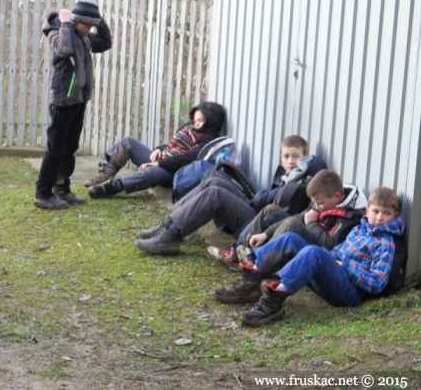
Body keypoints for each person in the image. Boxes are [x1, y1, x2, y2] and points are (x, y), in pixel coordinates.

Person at [213, 187, 404, 327]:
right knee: (291, 238)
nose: (379, 218)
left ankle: (273, 302)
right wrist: (332, 259)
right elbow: (338, 252)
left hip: (350, 292)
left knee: (314, 252)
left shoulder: (386, 244)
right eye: (376, 212)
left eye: (386, 213)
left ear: (394, 215)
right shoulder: (359, 229)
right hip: (336, 274)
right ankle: (250, 280)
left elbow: (377, 283)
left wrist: (343, 264)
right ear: (367, 211)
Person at [134, 135, 325, 255]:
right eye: (286, 156)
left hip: (263, 224)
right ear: (280, 156)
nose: (291, 161)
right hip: (257, 210)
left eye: (296, 156)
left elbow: (272, 200)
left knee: (215, 194)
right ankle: (167, 224)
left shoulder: (306, 178)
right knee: (214, 181)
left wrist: (260, 196)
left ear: (305, 156)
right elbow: (265, 197)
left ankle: (172, 236)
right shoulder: (284, 173)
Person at [33, 0, 112, 210]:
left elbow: (105, 43)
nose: (88, 30)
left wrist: (100, 21)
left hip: (78, 99)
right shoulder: (57, 33)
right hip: (62, 100)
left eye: (90, 27)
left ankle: (62, 189)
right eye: (85, 26)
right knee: (55, 149)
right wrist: (66, 23)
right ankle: (42, 193)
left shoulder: (84, 37)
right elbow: (65, 50)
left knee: (70, 148)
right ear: (74, 20)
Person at [86, 102, 227, 200]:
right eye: (195, 120)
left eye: (201, 121)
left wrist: (159, 164)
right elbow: (175, 146)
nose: (196, 124)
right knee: (128, 142)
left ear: (212, 121)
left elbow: (186, 158)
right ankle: (105, 176)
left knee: (151, 172)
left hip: (173, 172)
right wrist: (159, 149)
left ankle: (114, 187)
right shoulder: (191, 131)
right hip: (163, 160)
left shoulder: (209, 142)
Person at [234, 169, 367, 262]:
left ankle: (257, 260)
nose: (315, 206)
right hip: (311, 235)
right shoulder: (324, 199)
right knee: (271, 211)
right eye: (313, 202)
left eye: (319, 203)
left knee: (292, 225)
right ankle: (235, 251)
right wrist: (266, 234)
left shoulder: (352, 216)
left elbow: (330, 245)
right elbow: (300, 216)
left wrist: (311, 224)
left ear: (337, 196)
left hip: (318, 253)